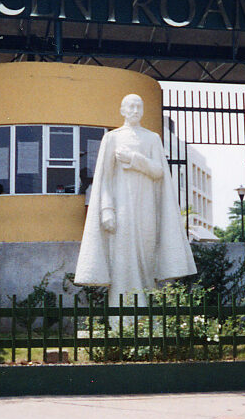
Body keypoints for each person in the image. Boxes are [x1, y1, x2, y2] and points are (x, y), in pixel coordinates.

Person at [74, 94, 196, 302]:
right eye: (130, 107)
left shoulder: (152, 138)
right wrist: (106, 210)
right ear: (122, 110)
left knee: (146, 255)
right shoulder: (112, 138)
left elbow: (159, 172)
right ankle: (121, 313)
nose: (135, 110)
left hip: (146, 206)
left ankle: (145, 311)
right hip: (121, 206)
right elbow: (104, 179)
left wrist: (135, 159)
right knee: (122, 257)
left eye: (139, 106)